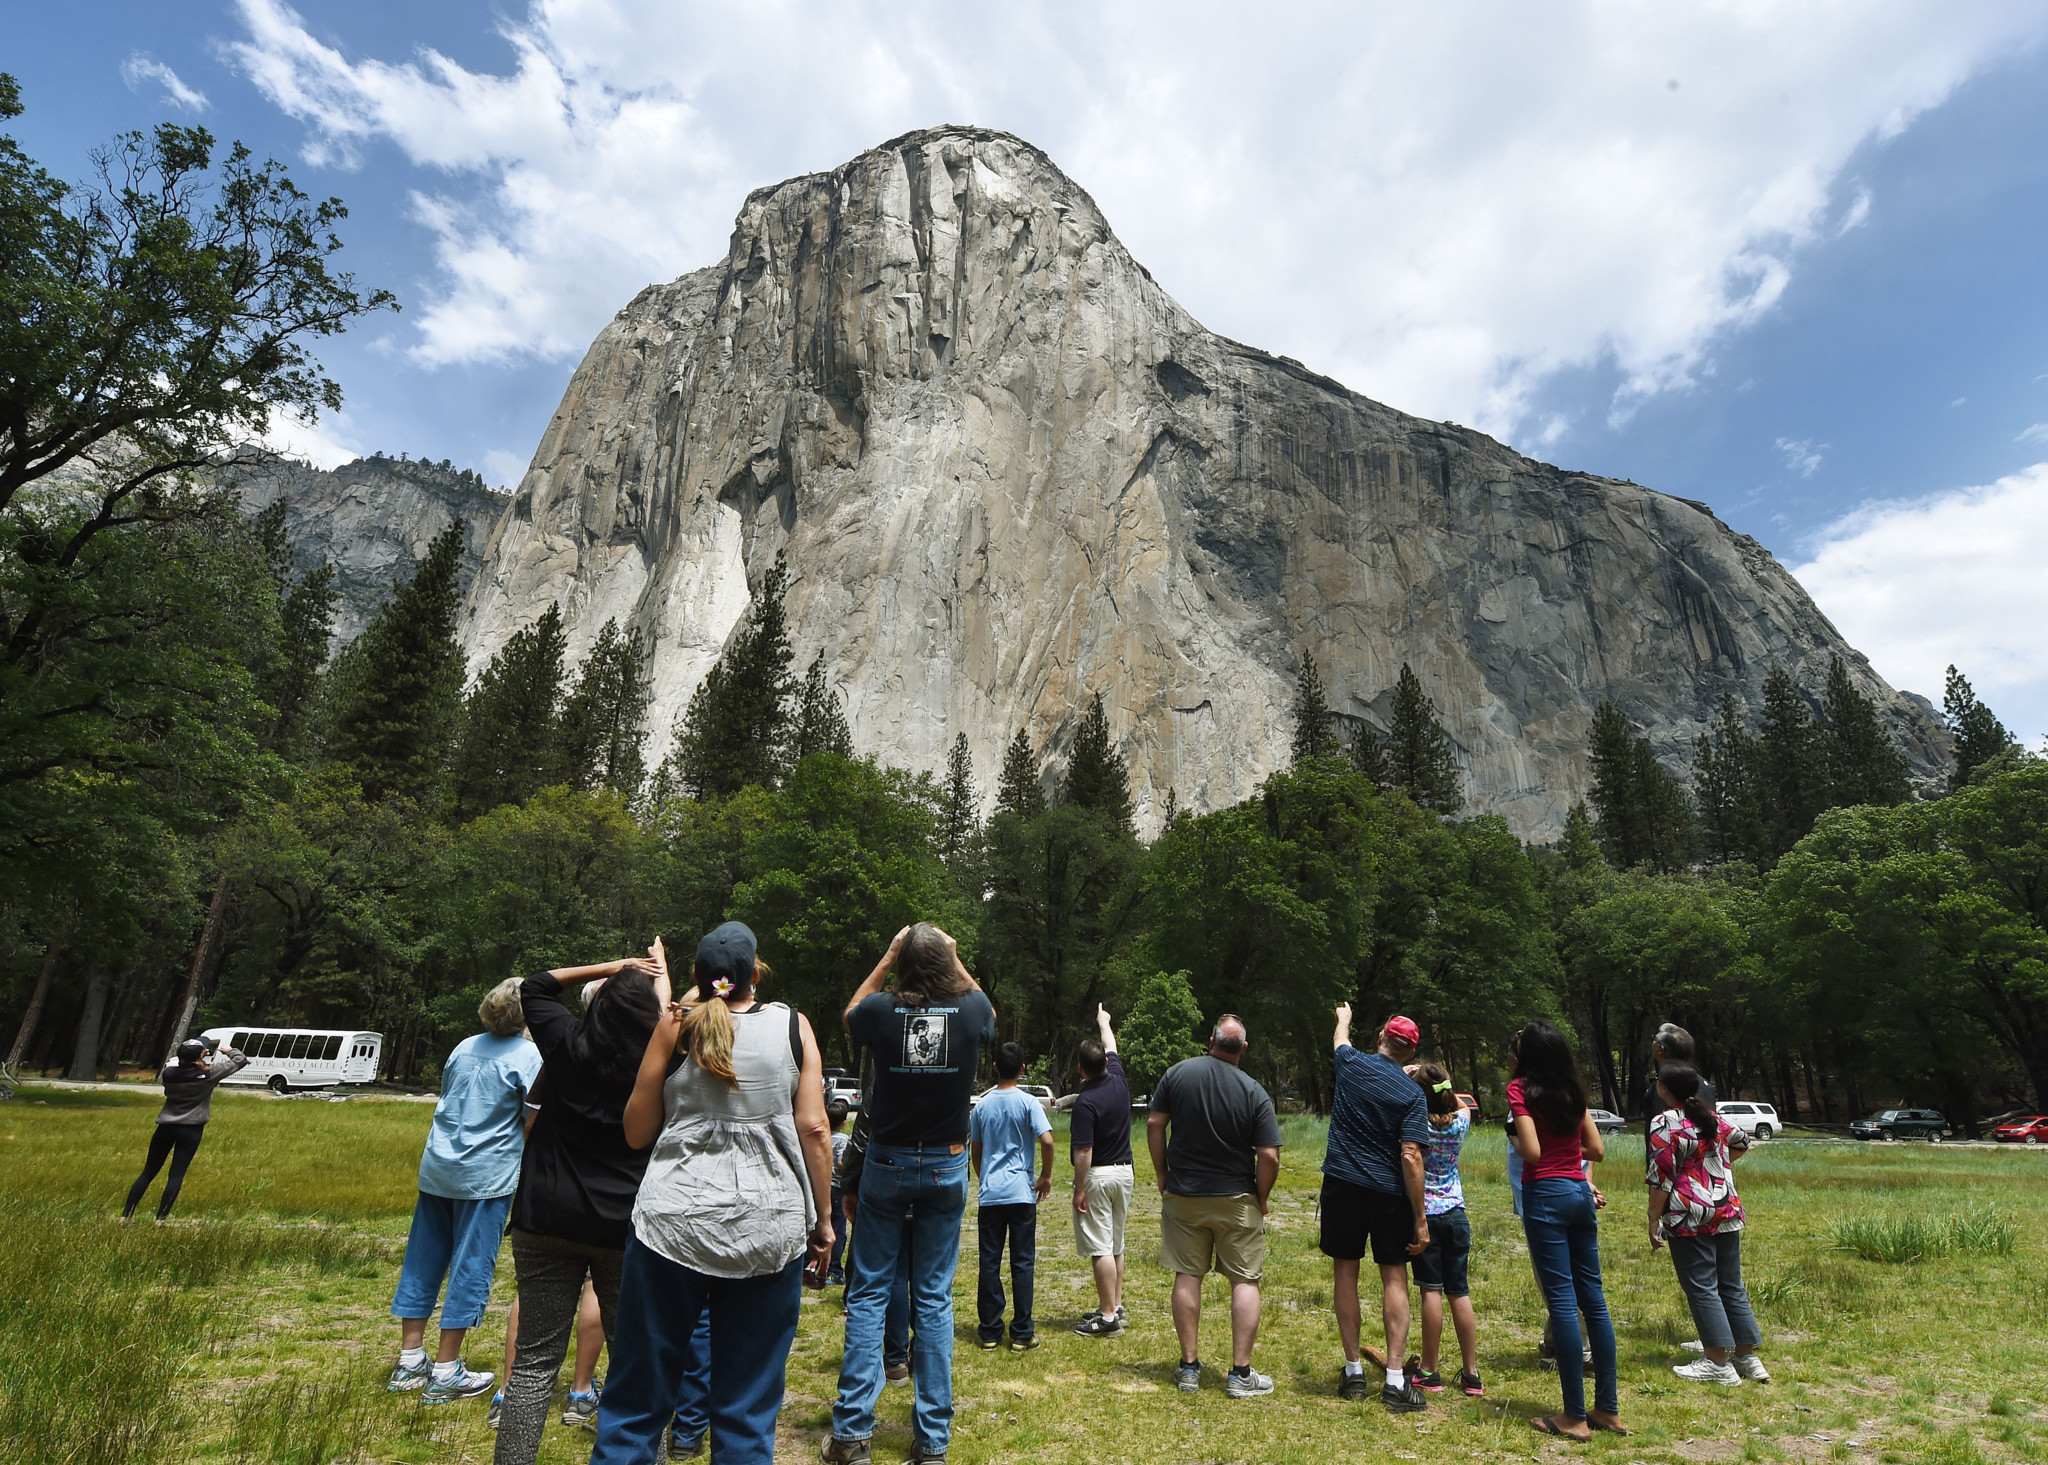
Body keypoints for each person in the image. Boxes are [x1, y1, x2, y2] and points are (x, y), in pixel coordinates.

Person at [592, 922, 834, 1465]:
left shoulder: (673, 1026)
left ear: (700, 978)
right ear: (754, 974)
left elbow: (635, 1132)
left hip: (671, 1225)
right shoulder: (794, 1026)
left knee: (635, 1401)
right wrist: (823, 1219)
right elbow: (815, 1128)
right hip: (766, 1228)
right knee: (746, 1409)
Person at [825, 924, 996, 1465]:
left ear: (901, 963)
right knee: (934, 1298)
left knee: (870, 1293)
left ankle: (852, 1434)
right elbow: (985, 1008)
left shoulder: (883, 1012)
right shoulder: (968, 1012)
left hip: (888, 1162)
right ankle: (932, 1443)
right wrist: (953, 953)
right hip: (946, 1164)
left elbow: (852, 1011)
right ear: (948, 964)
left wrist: (889, 954)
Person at [491, 946, 667, 1465]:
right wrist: (658, 971)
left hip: (545, 1217)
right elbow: (671, 1013)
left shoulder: (566, 1046)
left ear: (596, 1009)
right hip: (623, 1226)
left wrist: (615, 968)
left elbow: (535, 986)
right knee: (634, 1366)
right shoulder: (657, 1065)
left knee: (533, 1366)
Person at [388, 979, 541, 1405]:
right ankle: (446, 1369)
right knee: (470, 1265)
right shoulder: (529, 1055)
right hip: (485, 1176)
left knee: (422, 1260)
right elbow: (532, 1118)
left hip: (438, 1165)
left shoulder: (464, 1045)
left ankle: (409, 1360)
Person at [1147, 1014, 1283, 1399]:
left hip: (1185, 1194)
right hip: (1236, 1198)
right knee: (1244, 1280)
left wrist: (1162, 1172)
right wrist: (1263, 1195)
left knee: (1188, 1276)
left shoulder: (1176, 1074)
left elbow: (1155, 1123)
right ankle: (1240, 1374)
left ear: (1210, 1041)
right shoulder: (1254, 1090)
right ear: (1243, 1048)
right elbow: (1269, 1155)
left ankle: (1189, 1367)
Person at [1508, 1020, 1628, 1443]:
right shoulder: (1575, 1091)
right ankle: (1607, 1409)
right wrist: (1566, 1148)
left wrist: (1522, 1141)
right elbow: (1596, 1150)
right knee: (1594, 1300)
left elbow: (1534, 1152)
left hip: (1545, 1196)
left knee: (1561, 1303)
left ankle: (1574, 1417)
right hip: (1580, 1194)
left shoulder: (1520, 1090)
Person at [1320, 1007, 1430, 1413]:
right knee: (1394, 1278)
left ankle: (1352, 1373)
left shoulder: (1349, 1064)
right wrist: (1420, 1219)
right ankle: (1396, 1380)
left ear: (1382, 1036)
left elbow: (1340, 1038)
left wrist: (1345, 1016)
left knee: (1345, 1271)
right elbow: (1411, 1155)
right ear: (1410, 1052)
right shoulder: (1411, 1095)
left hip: (1342, 1186)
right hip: (1387, 1195)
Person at [1648, 1063, 1768, 1386]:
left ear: (1663, 1089)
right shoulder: (1711, 1117)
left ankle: (1716, 1362)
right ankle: (1746, 1357)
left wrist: (1652, 1218)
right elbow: (1742, 1142)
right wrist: (1716, 1166)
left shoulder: (1664, 1123)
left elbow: (1661, 1175)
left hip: (1689, 1214)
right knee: (1731, 1284)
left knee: (1701, 1285)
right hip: (1726, 1209)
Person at [970, 1041, 1054, 1351]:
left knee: (989, 1262)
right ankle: (1022, 1332)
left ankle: (990, 1330)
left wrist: (986, 1175)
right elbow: (1047, 1140)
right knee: (1022, 1262)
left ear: (994, 1067)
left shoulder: (983, 1104)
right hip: (1021, 1193)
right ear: (1022, 1069)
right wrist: (1045, 1176)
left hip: (992, 1193)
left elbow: (975, 1151)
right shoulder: (1029, 1103)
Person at [1407, 1061, 1481, 1398]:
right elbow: (1462, 1105)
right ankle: (1471, 1374)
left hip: (1428, 1216)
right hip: (1457, 1213)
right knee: (1459, 1292)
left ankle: (1430, 1370)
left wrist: (1409, 1076)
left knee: (1431, 1291)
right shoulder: (1460, 1123)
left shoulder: (1417, 1125)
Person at [121, 1037, 249, 1224]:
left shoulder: (169, 1074)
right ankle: (160, 1220)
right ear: (201, 1055)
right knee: (176, 1174)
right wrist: (228, 1050)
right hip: (191, 1130)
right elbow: (240, 1060)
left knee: (148, 1172)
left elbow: (177, 1066)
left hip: (165, 1127)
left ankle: (126, 1216)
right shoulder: (210, 1074)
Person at [1070, 1003, 1134, 1337]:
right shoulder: (1119, 1080)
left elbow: (1083, 1151)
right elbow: (1111, 1044)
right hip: (1125, 1173)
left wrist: (1079, 1188)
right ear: (1106, 1064)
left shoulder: (1085, 1101)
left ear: (1081, 1069)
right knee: (1117, 1243)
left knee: (1100, 1247)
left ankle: (1107, 1317)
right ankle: (1116, 1305)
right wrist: (1103, 1021)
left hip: (1098, 1175)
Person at [1642, 1023, 1716, 1139]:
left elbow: (1662, 1136)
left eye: (1654, 1039)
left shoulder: (1665, 1086)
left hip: (1668, 1155)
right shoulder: (1705, 1084)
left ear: (1660, 1049)